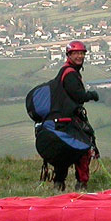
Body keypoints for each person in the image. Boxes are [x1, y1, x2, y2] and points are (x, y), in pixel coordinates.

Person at [44, 40, 100, 191]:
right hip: (68, 119)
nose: (79, 56)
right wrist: (92, 95)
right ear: (69, 55)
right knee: (82, 149)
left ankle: (59, 184)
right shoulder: (70, 74)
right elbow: (78, 95)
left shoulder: (65, 71)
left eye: (81, 53)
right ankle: (81, 185)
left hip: (60, 118)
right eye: (76, 53)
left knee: (64, 151)